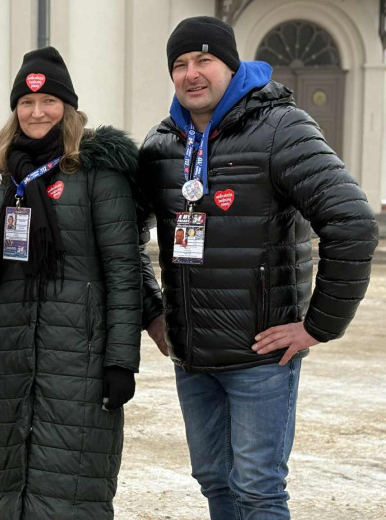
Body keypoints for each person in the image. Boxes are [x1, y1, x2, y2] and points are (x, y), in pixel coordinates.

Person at [137, 16, 379, 519]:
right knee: (214, 484)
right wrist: (154, 312)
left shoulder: (280, 128)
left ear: (231, 64)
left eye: (204, 60)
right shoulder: (162, 145)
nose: (191, 73)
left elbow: (352, 222)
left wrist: (318, 326)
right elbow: (124, 238)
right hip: (192, 359)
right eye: (179, 64)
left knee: (258, 490)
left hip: (260, 359)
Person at [0, 47, 143, 519]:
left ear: (67, 105)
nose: (36, 112)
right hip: (11, 354)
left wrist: (121, 360)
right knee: (7, 483)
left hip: (78, 357)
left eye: (48, 101)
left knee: (75, 486)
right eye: (25, 102)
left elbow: (123, 269)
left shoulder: (96, 169)